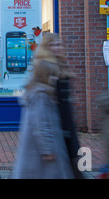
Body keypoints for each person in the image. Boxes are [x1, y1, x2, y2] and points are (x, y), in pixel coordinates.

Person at [13, 59, 74, 179]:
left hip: (36, 152)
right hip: (40, 155)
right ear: (47, 76)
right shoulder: (41, 95)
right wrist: (47, 149)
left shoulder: (38, 93)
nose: (56, 79)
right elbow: (41, 125)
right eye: (53, 75)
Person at [33, 32, 83, 178]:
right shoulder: (46, 70)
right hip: (57, 129)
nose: (58, 47)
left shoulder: (60, 66)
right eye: (54, 44)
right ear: (46, 47)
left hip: (66, 127)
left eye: (59, 44)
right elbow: (42, 106)